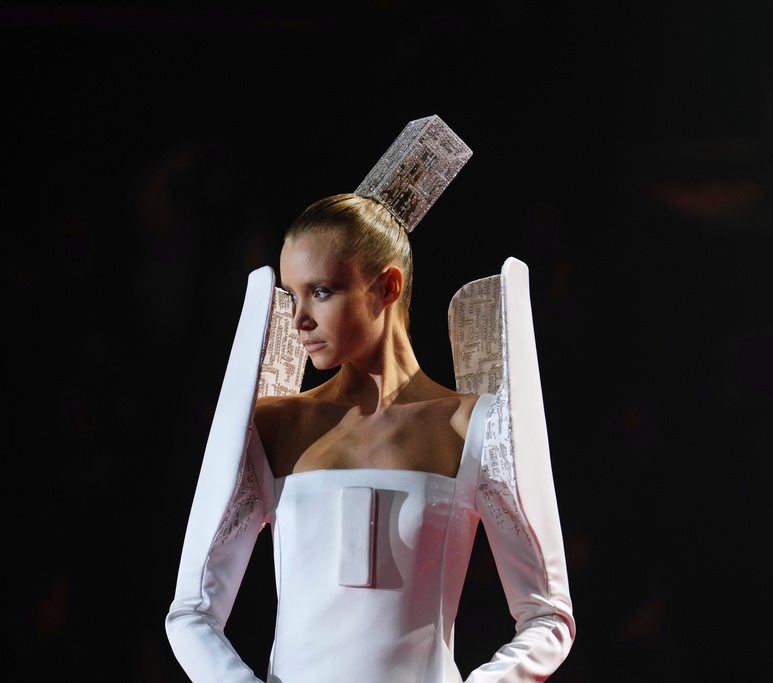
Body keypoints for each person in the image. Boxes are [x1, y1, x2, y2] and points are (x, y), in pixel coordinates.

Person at [164, 115, 576, 682]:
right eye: (292, 294)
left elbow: (548, 616)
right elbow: (191, 612)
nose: (299, 318)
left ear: (387, 286)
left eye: (322, 291)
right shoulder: (273, 426)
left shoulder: (476, 428)